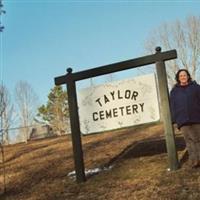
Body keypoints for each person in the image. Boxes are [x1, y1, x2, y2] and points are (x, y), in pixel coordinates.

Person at [170, 69, 200, 168]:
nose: (183, 77)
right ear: (178, 78)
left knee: (198, 139)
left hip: (196, 118)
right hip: (182, 120)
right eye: (181, 76)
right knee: (189, 141)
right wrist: (174, 120)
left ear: (188, 76)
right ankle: (194, 161)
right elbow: (172, 106)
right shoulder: (174, 91)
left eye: (184, 75)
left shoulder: (196, 87)